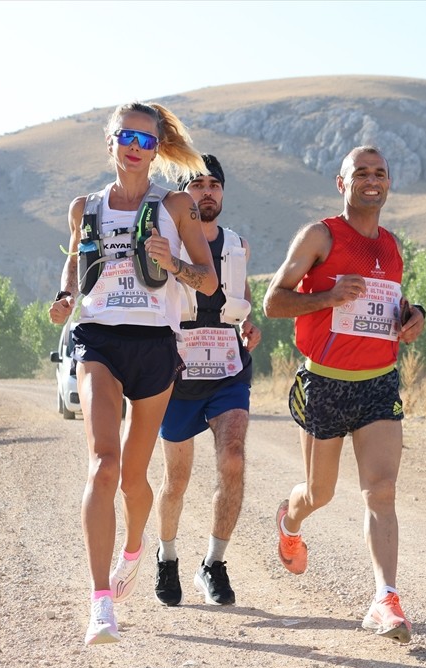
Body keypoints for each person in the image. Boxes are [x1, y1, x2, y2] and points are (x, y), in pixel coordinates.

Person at [48, 102, 217, 645]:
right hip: (99, 337)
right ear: (111, 142)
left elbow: (208, 281)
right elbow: (76, 260)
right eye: (127, 137)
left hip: (154, 345)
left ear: (157, 148)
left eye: (146, 141)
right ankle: (100, 603)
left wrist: (173, 264)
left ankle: (135, 546)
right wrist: (65, 296)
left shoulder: (175, 206)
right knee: (103, 465)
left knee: (133, 478)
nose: (135, 148)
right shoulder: (86, 207)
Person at [262, 146, 426, 644]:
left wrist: (412, 317)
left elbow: (388, 305)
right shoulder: (321, 236)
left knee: (381, 490)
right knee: (320, 493)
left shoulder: (392, 245)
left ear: (389, 182)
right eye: (361, 173)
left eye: (380, 172)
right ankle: (290, 522)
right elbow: (273, 302)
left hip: (378, 381)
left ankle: (385, 599)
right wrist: (327, 297)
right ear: (342, 183)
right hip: (326, 382)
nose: (372, 180)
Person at [154, 154, 262, 606]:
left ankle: (213, 563)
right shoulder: (164, 243)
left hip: (228, 370)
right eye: (196, 185)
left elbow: (241, 297)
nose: (207, 192)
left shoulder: (238, 245)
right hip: (177, 373)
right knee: (176, 480)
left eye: (214, 184)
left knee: (232, 458)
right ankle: (167, 557)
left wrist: (250, 322)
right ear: (183, 195)